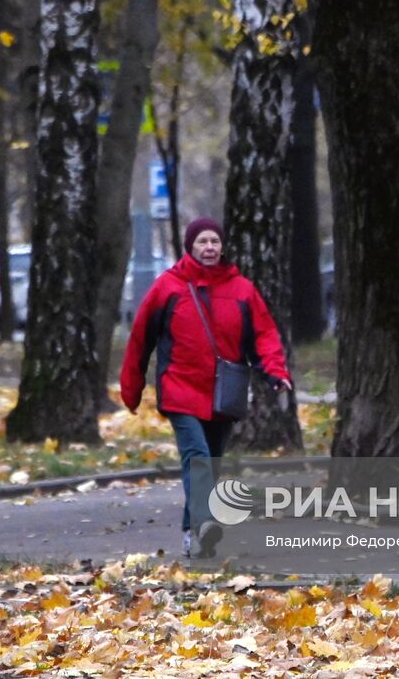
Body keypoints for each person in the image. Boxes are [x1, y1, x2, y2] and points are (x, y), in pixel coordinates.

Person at [119, 216, 293, 558]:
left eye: (215, 241)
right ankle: (205, 523)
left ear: (222, 246)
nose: (210, 247)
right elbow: (140, 338)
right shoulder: (168, 287)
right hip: (180, 388)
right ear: (190, 247)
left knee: (209, 465)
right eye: (203, 242)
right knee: (197, 458)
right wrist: (132, 387)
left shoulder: (242, 289)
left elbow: (264, 335)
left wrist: (276, 372)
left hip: (223, 393)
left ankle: (191, 532)